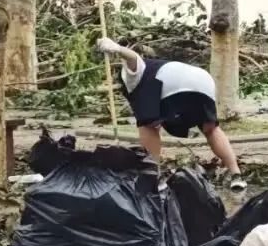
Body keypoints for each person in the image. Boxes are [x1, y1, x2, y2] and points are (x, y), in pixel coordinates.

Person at [97, 37, 246, 190]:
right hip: (203, 81)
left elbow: (132, 57)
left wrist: (117, 48)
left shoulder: (132, 73)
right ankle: (236, 175)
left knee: (147, 125)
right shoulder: (163, 66)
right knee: (211, 129)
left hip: (175, 86)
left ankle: (153, 176)